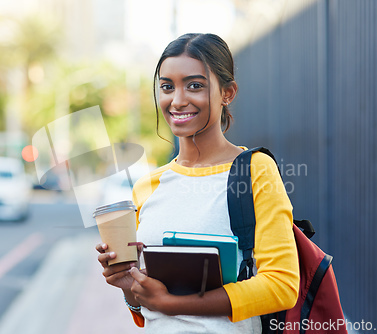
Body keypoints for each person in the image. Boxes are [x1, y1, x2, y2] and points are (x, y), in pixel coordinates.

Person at [96, 33, 299, 333]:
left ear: (227, 93)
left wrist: (174, 304)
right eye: (167, 87)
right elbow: (144, 311)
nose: (177, 101)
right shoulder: (147, 186)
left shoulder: (255, 171)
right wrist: (130, 285)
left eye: (195, 86)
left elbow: (282, 284)